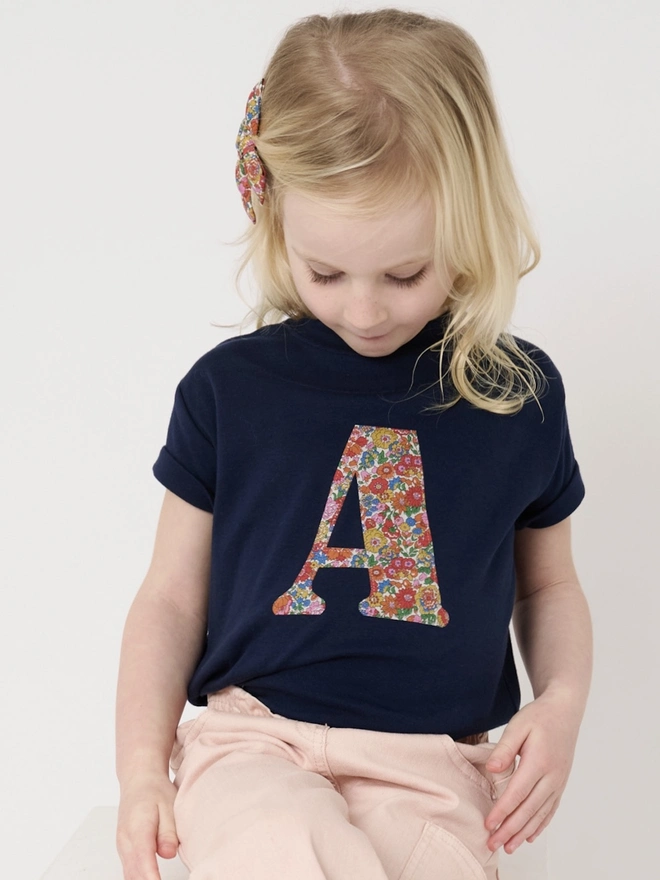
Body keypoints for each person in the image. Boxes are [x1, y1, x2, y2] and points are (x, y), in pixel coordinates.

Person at [115, 9, 593, 880]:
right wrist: (142, 769)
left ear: (470, 220)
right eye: (325, 272)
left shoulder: (519, 394)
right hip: (252, 742)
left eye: (405, 273)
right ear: (274, 222)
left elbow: (550, 584)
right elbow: (171, 600)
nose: (363, 310)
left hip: (436, 763)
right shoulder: (229, 389)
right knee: (281, 852)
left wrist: (561, 703)